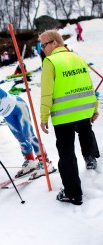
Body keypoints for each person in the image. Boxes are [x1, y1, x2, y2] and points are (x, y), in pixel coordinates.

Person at [39, 29, 99, 205]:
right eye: (40, 46)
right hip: (83, 112)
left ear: (55, 43)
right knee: (85, 135)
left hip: (63, 116)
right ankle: (91, 158)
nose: (42, 49)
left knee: (66, 156)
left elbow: (46, 93)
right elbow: (89, 85)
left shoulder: (50, 62)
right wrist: (94, 108)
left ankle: (73, 193)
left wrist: (43, 117)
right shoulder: (78, 58)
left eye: (44, 44)